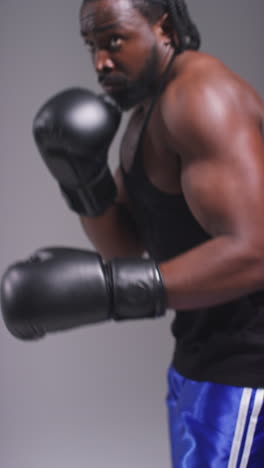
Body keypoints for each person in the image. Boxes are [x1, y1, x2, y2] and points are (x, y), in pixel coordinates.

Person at [1, 0, 264, 466]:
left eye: (113, 40)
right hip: (198, 361)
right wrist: (84, 184)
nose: (101, 61)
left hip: (246, 372)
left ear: (162, 26)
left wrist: (113, 294)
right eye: (92, 45)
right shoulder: (148, 110)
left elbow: (256, 251)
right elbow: (125, 244)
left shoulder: (202, 97)